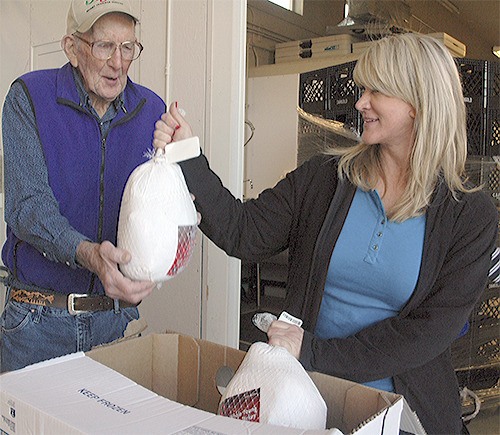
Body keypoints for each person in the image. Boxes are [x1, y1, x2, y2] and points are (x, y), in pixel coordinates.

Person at [153, 33, 498, 434]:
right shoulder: (324, 179)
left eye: (376, 91)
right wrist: (188, 156)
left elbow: (426, 333)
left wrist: (314, 350)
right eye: (362, 88)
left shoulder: (470, 216)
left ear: (418, 104)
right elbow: (245, 232)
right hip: (306, 395)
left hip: (400, 410)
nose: (360, 102)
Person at [0, 0, 165, 373]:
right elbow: (28, 206)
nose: (118, 62)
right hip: (38, 322)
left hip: (117, 324)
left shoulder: (152, 110)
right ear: (72, 48)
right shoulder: (29, 97)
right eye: (105, 46)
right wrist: (88, 253)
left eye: (128, 48)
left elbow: (161, 202)